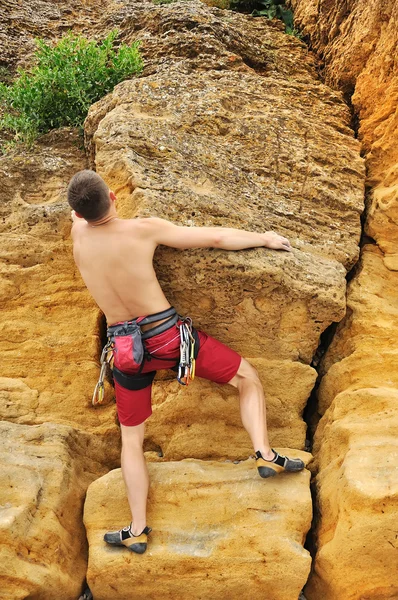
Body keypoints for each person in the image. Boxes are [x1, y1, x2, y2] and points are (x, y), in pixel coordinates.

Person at [68, 169, 305, 555]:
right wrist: (264, 239)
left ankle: (138, 529)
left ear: (77, 211)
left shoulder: (79, 235)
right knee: (247, 377)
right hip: (169, 340)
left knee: (132, 441)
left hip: (125, 351)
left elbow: (81, 211)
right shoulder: (142, 230)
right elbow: (213, 237)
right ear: (113, 196)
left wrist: (83, 208)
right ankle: (265, 455)